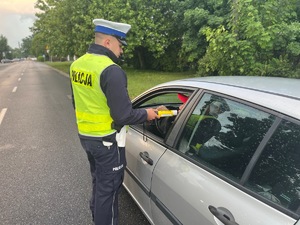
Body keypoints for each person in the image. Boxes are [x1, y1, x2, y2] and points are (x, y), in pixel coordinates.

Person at [69, 18, 159, 225]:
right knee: (108, 191)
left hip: (87, 138)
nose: (121, 52)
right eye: (120, 46)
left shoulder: (77, 65)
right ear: (108, 42)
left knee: (100, 185)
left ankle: (97, 217)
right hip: (108, 142)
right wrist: (148, 114)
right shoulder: (111, 70)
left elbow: (77, 102)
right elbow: (123, 116)